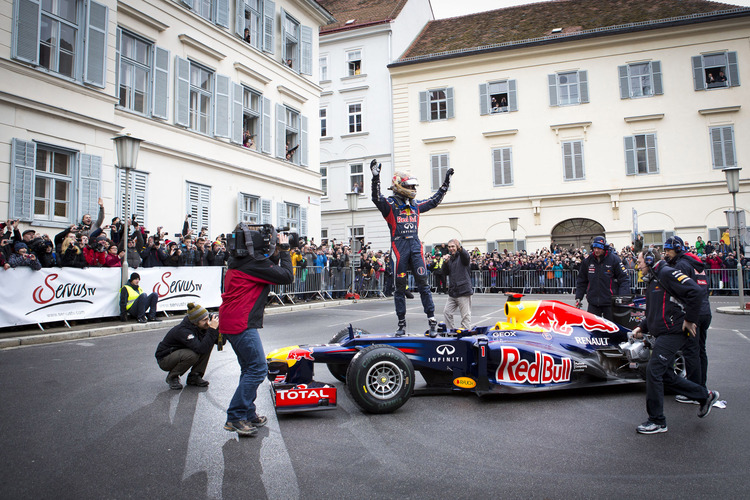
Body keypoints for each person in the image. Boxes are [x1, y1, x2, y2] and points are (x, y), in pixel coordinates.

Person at [631, 249, 720, 434]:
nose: (638, 266)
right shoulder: (654, 278)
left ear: (649, 260)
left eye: (639, 262)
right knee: (666, 376)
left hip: (673, 332)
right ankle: (706, 395)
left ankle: (657, 420)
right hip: (663, 332)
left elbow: (695, 292)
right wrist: (642, 327)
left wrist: (690, 319)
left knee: (653, 371)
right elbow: (654, 311)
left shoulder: (667, 273)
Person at [219, 226, 294, 437]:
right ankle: (235, 416)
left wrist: (276, 253)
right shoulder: (254, 263)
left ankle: (248, 413)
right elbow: (286, 276)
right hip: (241, 322)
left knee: (248, 368)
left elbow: (270, 268)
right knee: (258, 368)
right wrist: (285, 249)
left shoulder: (244, 261)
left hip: (233, 320)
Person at [370, 158, 454, 337]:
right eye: (410, 187)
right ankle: (401, 324)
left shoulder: (415, 205)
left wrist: (446, 184)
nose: (413, 190)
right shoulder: (390, 205)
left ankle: (431, 320)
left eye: (414, 187)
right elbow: (376, 198)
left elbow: (433, 201)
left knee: (424, 285)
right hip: (399, 247)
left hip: (415, 245)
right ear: (400, 186)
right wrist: (375, 178)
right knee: (399, 288)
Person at [663, 236, 711, 401]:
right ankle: (701, 387)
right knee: (700, 351)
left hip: (694, 314)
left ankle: (694, 391)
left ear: (677, 249)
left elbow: (682, 291)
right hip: (705, 312)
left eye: (668, 250)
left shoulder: (682, 265)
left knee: (691, 352)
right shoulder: (697, 263)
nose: (666, 254)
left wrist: (687, 317)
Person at [155, 303, 219, 390]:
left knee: (208, 342)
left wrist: (217, 328)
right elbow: (200, 349)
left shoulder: (200, 327)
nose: (207, 322)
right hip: (165, 359)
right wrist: (211, 329)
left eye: (208, 318)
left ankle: (195, 376)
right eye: (204, 320)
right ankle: (172, 377)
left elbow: (219, 343)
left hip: (180, 352)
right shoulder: (183, 330)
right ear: (195, 322)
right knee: (192, 354)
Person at [575, 236, 630, 321]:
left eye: (599, 248)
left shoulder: (614, 259)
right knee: (592, 329)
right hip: (593, 303)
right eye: (595, 248)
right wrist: (578, 297)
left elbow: (624, 279)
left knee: (613, 330)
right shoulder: (588, 261)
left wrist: (623, 297)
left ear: (605, 248)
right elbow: (582, 280)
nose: (596, 250)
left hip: (610, 303)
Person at [442, 239, 472, 330]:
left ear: (457, 247)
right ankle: (451, 332)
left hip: (463, 291)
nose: (451, 248)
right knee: (447, 312)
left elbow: (466, 257)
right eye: (449, 247)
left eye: (453, 246)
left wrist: (460, 248)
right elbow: (445, 272)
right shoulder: (450, 259)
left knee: (465, 316)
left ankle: (466, 335)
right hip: (453, 292)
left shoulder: (462, 256)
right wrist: (445, 262)